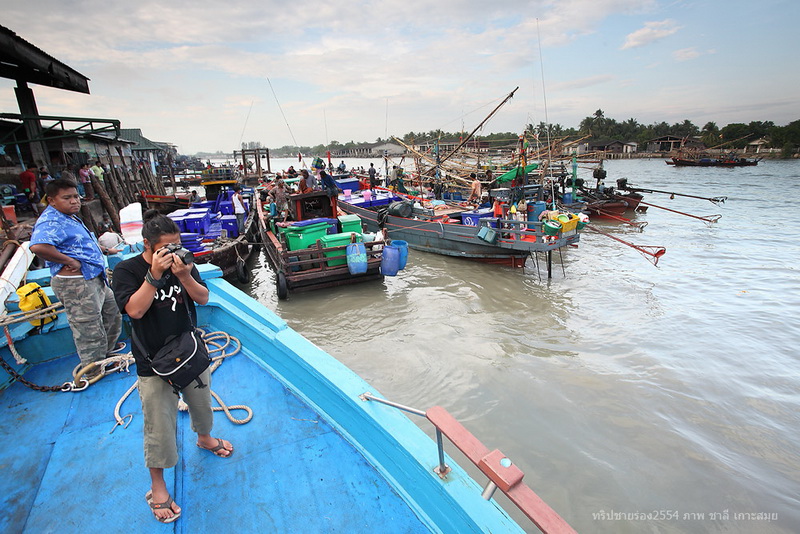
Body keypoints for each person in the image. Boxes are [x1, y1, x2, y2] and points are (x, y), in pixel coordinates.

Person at [112, 210, 233, 524]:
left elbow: (203, 298)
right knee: (159, 425)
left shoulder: (183, 265)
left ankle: (204, 438)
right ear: (149, 246)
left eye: (177, 245)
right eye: (166, 248)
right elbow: (135, 311)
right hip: (154, 362)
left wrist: (183, 275)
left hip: (190, 351)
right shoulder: (127, 270)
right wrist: (153, 276)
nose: (173, 253)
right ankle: (158, 484)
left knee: (202, 404)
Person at [29, 179, 123, 373]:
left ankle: (106, 352)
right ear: (52, 200)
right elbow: (38, 246)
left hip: (94, 276)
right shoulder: (50, 221)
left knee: (111, 311)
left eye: (75, 196)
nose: (74, 201)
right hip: (76, 283)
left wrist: (105, 250)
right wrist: (69, 261)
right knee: (88, 327)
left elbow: (79, 242)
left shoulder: (68, 217)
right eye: (67, 198)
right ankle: (93, 369)